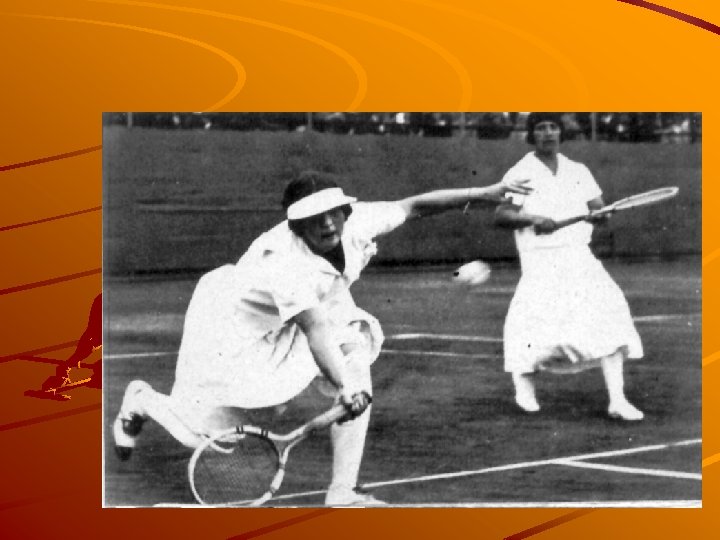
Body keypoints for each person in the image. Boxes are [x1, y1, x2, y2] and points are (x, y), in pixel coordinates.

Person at [112, 170, 530, 506]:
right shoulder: (283, 261)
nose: (328, 223)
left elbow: (414, 205)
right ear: (297, 224)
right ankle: (142, 400)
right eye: (315, 218)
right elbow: (314, 329)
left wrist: (485, 192)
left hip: (308, 310)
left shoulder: (356, 221)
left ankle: (342, 492)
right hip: (232, 326)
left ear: (345, 210)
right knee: (211, 437)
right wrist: (344, 388)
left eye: (333, 212)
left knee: (355, 353)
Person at [494, 112, 644, 421]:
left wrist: (601, 216)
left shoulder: (579, 170)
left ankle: (617, 400)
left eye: (553, 127)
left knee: (612, 315)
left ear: (561, 133)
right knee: (532, 328)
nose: (548, 133)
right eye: (541, 128)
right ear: (532, 135)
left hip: (580, 257)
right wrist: (534, 218)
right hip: (540, 260)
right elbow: (502, 215)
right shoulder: (520, 172)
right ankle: (524, 389)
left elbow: (599, 209)